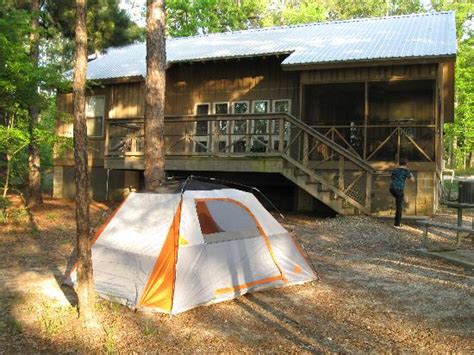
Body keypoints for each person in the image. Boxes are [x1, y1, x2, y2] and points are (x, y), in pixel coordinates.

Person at [390, 158, 415, 227]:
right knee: (399, 207)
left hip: (392, 189)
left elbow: (392, 178)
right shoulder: (406, 171)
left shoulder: (395, 170)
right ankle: (397, 224)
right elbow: (413, 180)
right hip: (399, 190)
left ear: (399, 163)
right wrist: (411, 174)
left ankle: (397, 222)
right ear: (406, 164)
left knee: (398, 203)